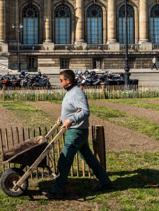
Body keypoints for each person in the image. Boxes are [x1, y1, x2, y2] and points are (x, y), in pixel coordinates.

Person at [46, 69, 114, 199]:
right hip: (78, 130)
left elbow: (85, 111)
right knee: (89, 158)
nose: (60, 83)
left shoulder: (77, 93)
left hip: (76, 132)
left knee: (64, 161)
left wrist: (71, 120)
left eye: (61, 80)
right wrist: (63, 117)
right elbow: (73, 109)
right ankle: (105, 182)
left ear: (68, 81)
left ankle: (58, 190)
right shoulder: (71, 92)